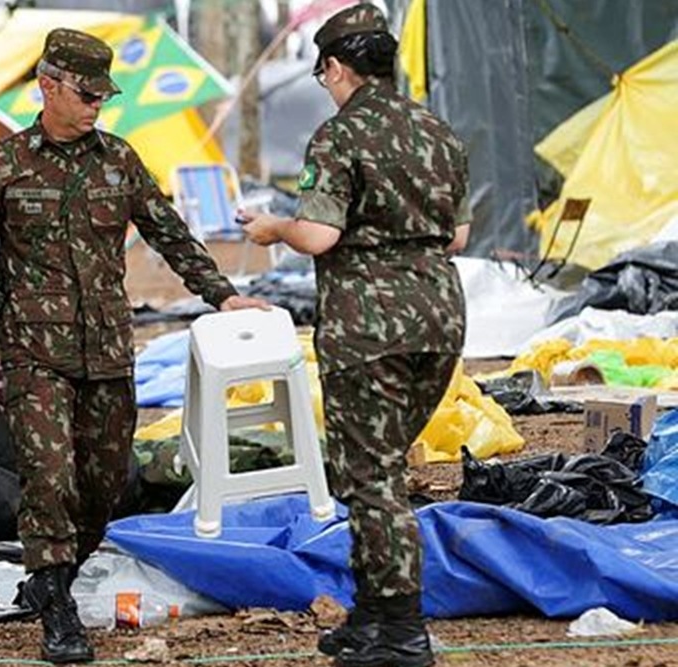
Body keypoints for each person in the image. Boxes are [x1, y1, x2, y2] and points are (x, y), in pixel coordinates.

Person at [0, 28, 267, 664]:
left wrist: (223, 296)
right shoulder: (3, 167)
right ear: (48, 87)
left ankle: (58, 567)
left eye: (101, 97)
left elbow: (170, 235)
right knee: (49, 475)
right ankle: (55, 599)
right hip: (34, 350)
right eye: (85, 94)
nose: (95, 107)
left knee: (107, 479)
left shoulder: (119, 160)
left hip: (108, 347)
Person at [236, 5, 469, 667]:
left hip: (369, 322)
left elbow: (320, 234)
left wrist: (274, 226)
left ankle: (400, 630)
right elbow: (458, 236)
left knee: (373, 479)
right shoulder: (438, 131)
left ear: (336, 67)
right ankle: (371, 615)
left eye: (324, 75)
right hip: (440, 314)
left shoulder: (340, 136)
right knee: (382, 468)